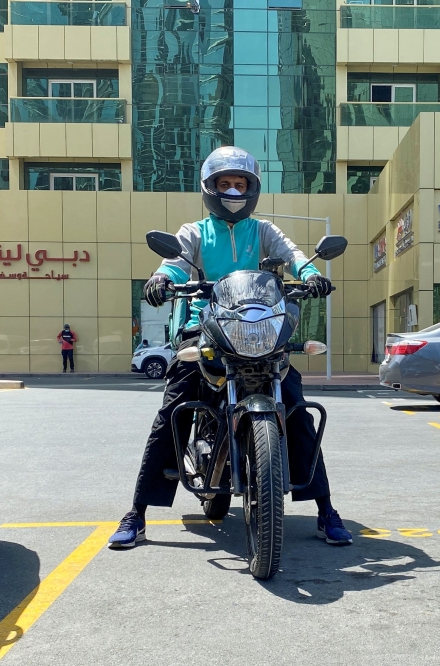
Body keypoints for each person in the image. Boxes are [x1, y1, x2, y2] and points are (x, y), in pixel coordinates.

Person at [109, 146, 353, 549]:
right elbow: (175, 263)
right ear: (210, 188)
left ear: (252, 189)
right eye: (225, 184)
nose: (234, 190)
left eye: (241, 184)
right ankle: (137, 513)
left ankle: (326, 511)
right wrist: (160, 279)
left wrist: (310, 273)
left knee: (294, 407)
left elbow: (293, 256)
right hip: (204, 327)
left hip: (258, 327)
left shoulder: (263, 231)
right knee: (174, 409)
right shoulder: (194, 232)